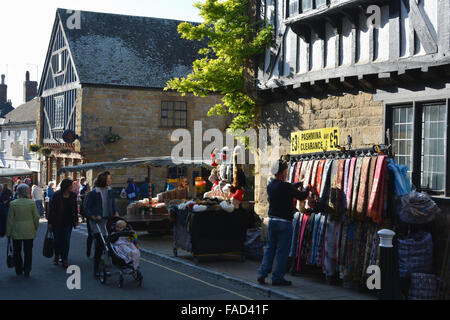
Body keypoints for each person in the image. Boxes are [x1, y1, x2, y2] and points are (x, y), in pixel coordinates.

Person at [257, 159, 310, 286]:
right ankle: (277, 278)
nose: (286, 173)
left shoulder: (271, 186)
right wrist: (307, 188)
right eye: (285, 171)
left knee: (270, 249)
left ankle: (262, 274)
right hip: (284, 224)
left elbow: (289, 188)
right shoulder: (286, 187)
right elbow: (301, 196)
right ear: (282, 172)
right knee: (282, 251)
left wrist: (299, 183)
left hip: (272, 222)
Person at [84, 171, 120, 279]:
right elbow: (86, 208)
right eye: (109, 178)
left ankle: (109, 263)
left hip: (107, 221)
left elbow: (113, 205)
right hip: (96, 222)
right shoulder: (92, 193)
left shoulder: (110, 191)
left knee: (110, 243)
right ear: (104, 180)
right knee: (100, 245)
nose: (110, 180)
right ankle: (96, 271)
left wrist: (116, 212)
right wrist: (93, 216)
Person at [6, 184, 40, 277]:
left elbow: (10, 219)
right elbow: (36, 217)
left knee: (17, 251)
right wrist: (35, 227)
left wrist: (8, 232)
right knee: (28, 251)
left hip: (16, 230)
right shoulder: (32, 203)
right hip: (29, 230)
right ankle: (27, 269)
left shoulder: (13, 203)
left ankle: (19, 269)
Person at [47, 179, 78, 268]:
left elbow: (75, 209)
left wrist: (75, 220)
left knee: (66, 241)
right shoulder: (57, 195)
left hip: (68, 222)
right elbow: (52, 209)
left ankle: (65, 259)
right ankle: (57, 255)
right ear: (66, 186)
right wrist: (50, 222)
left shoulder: (73, 195)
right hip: (57, 222)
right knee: (57, 241)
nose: (72, 187)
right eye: (71, 185)